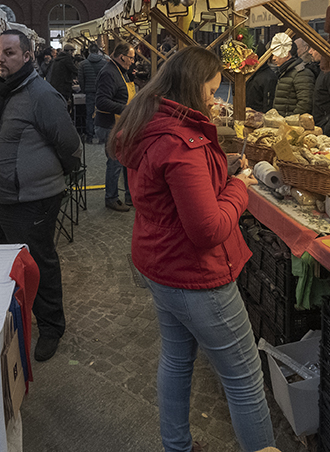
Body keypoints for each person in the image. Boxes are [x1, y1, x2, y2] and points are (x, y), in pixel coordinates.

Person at [110, 47, 274, 452]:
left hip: (161, 263)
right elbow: (208, 229)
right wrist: (239, 188)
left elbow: (173, 196)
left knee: (177, 359)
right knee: (245, 378)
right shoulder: (182, 142)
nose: (213, 100)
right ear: (191, 87)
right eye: (211, 90)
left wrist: (220, 169)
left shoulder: (148, 121)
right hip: (195, 274)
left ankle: (177, 447)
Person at [0, 30, 82, 361]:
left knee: (39, 262)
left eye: (9, 53)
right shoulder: (1, 90)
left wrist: (50, 175)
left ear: (27, 56)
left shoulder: (40, 94)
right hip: (2, 197)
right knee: (9, 264)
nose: (1, 58)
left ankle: (52, 327)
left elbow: (68, 143)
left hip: (31, 198)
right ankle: (15, 321)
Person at [96, 42, 136, 211]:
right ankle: (111, 198)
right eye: (131, 58)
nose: (133, 61)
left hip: (121, 124)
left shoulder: (120, 71)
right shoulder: (108, 73)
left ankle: (130, 195)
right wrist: (126, 108)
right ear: (122, 57)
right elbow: (101, 101)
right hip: (110, 125)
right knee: (115, 161)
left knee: (125, 160)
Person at [270, 33, 314, 117]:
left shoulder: (301, 73)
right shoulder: (284, 72)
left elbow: (305, 103)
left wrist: (290, 121)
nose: (273, 58)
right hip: (282, 123)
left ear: (286, 54)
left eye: (276, 54)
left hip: (292, 126)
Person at [77, 43, 107, 141]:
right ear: (98, 51)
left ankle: (89, 136)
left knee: (89, 114)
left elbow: (81, 79)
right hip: (101, 92)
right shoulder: (104, 63)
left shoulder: (82, 64)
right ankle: (101, 137)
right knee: (101, 113)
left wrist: (84, 89)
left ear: (89, 51)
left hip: (89, 92)